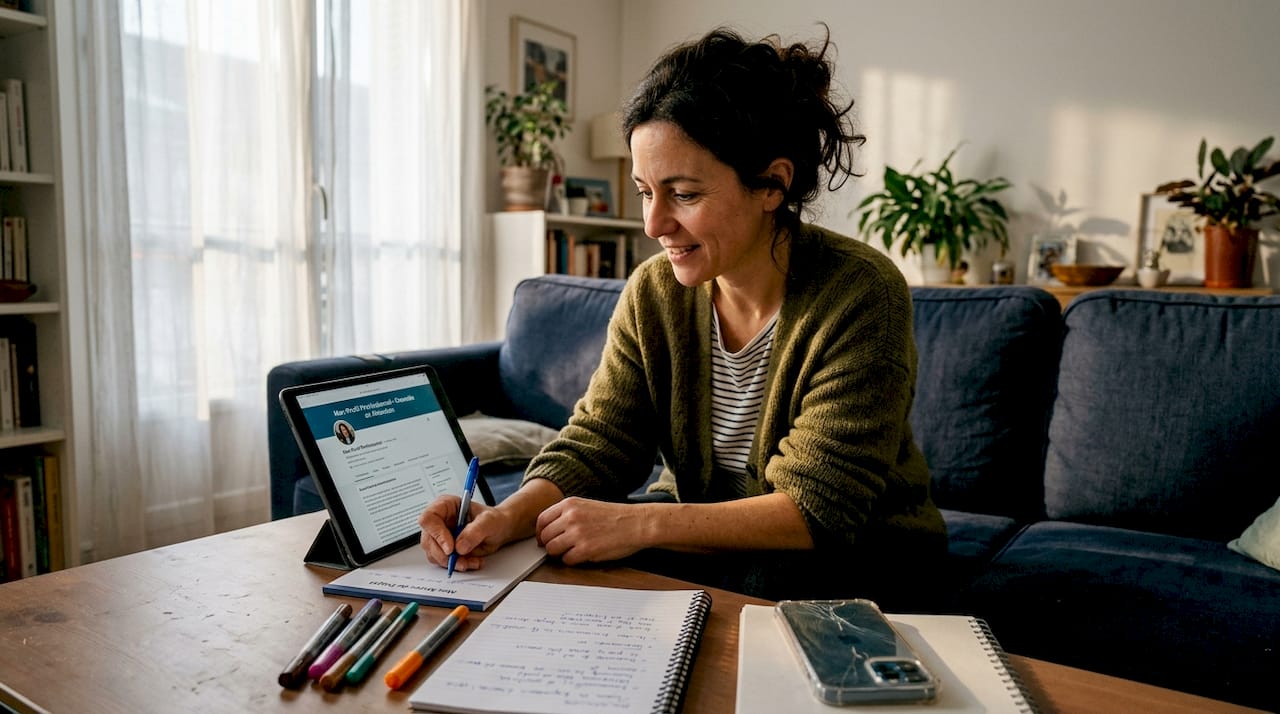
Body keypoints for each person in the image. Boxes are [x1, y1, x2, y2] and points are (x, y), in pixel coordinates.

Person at [420, 27, 945, 604]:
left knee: (752, 583)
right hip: (706, 546)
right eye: (645, 191)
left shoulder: (860, 293)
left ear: (772, 184)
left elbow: (817, 509)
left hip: (854, 561)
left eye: (684, 194)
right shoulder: (654, 292)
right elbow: (601, 440)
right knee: (549, 569)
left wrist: (636, 525)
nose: (653, 224)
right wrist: (505, 518)